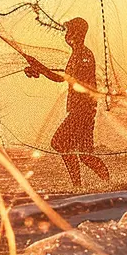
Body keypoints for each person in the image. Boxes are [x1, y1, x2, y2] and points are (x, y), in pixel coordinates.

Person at [23, 17, 110, 188]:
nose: (66, 34)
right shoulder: (77, 55)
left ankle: (78, 186)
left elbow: (66, 78)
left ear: (77, 34)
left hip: (82, 109)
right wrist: (38, 68)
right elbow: (60, 77)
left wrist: (39, 68)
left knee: (60, 143)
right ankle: (108, 185)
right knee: (85, 155)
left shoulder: (84, 55)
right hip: (82, 109)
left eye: (69, 31)